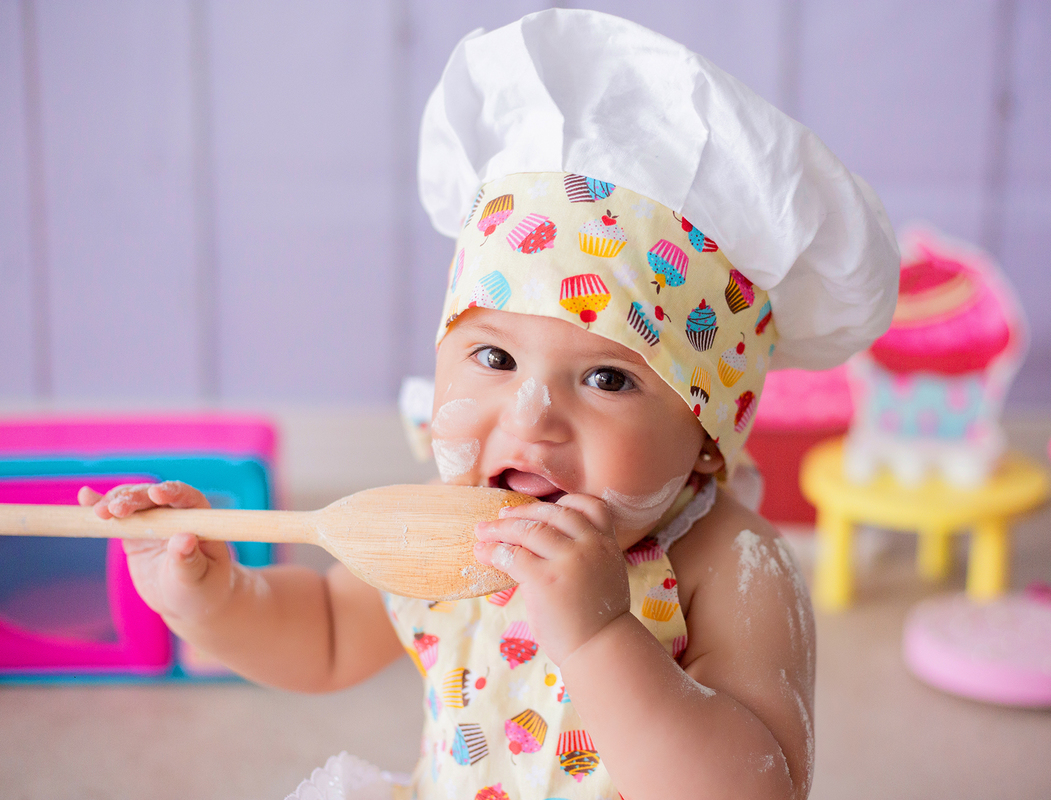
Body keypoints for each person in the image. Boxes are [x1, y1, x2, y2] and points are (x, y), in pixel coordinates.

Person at [80, 10, 899, 799]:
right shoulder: (445, 528)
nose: (531, 415)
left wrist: (601, 634)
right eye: (495, 357)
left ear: (708, 433)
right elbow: (326, 635)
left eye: (609, 378)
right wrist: (210, 597)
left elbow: (760, 789)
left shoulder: (732, 562)